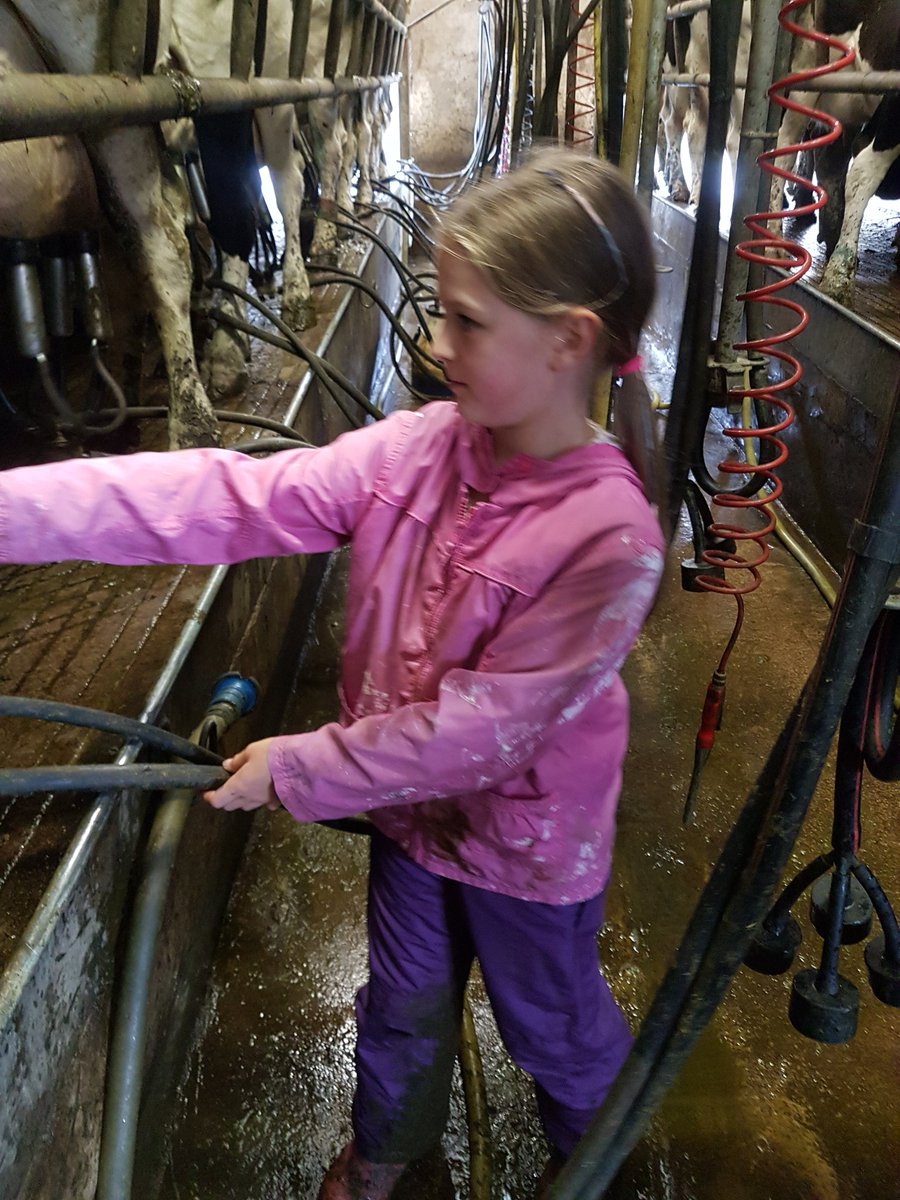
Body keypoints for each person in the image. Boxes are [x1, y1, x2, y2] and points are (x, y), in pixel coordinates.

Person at [0, 146, 665, 1199]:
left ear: (569, 341)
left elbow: (482, 732)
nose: (439, 344)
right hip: (411, 823)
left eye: (467, 322)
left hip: (529, 850)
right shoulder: (417, 452)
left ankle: (597, 1163)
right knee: (400, 1007)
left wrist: (301, 764)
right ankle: (385, 1166)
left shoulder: (608, 540)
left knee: (555, 1027)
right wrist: (13, 512)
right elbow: (228, 496)